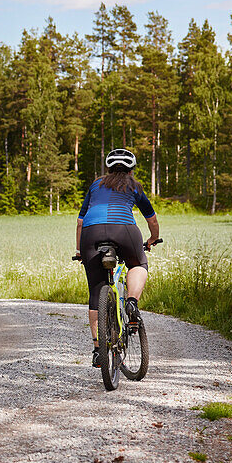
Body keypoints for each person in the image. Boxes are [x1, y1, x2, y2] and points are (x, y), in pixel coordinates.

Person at [75, 149, 161, 368]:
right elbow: (151, 219)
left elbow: (80, 221)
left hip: (91, 234)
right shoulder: (134, 186)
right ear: (131, 169)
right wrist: (153, 239)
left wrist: (79, 250)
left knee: (96, 292)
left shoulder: (96, 185)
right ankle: (131, 302)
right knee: (138, 263)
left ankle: (97, 350)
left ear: (108, 168)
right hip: (124, 231)